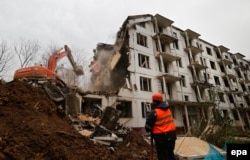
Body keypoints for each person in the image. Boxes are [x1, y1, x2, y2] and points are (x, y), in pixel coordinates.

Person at [145, 92, 177, 160]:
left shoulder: (154, 112)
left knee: (163, 157)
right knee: (170, 155)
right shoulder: (168, 110)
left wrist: (151, 114)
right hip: (172, 136)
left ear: (154, 102)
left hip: (162, 138)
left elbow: (147, 128)